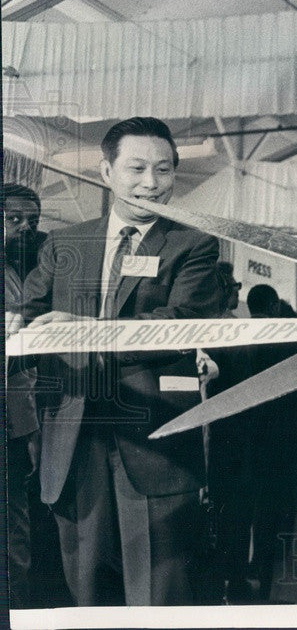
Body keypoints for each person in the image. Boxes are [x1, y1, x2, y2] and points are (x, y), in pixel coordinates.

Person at [10, 117, 221, 606]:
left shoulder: (193, 244)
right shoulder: (64, 244)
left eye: (164, 170)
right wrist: (16, 323)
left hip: (155, 443)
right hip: (72, 441)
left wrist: (81, 330)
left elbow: (180, 321)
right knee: (86, 595)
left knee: (159, 599)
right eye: (137, 168)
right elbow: (32, 313)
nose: (151, 183)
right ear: (106, 171)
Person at [4, 183, 43, 609]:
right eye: (13, 220)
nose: (26, 229)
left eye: (33, 221)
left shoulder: (20, 273)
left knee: (15, 523)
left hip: (15, 420)